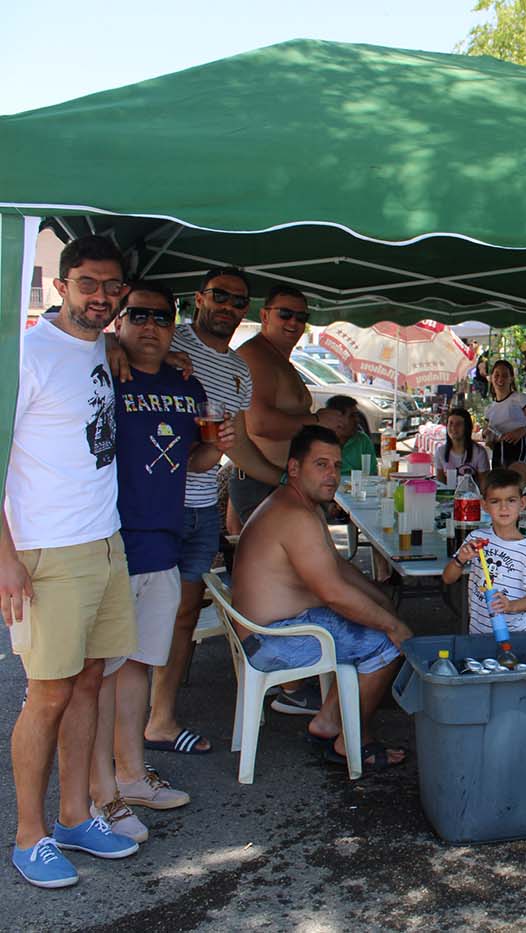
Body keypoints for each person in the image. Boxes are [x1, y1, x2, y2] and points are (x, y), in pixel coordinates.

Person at [2, 236, 142, 888]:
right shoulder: (24, 354)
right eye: (88, 283)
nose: (101, 297)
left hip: (104, 540)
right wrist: (6, 559)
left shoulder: (99, 348)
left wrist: (115, 346)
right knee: (48, 692)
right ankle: (28, 836)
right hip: (46, 549)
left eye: (113, 287)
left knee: (89, 681)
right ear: (61, 285)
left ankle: (74, 816)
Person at [91, 282, 236, 843]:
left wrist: (219, 446)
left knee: (138, 664)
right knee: (100, 672)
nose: (150, 325)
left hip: (163, 539)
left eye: (161, 316)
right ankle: (100, 789)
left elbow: (192, 460)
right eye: (138, 315)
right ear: (119, 320)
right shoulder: (103, 371)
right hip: (109, 540)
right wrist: (106, 345)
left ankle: (131, 774)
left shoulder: (185, 382)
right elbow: (64, 326)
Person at [232, 426, 411, 771]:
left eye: (336, 465)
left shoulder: (300, 504)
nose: (332, 474)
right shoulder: (295, 515)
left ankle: (328, 723)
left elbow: (338, 568)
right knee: (385, 645)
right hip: (270, 640)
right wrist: (393, 625)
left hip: (273, 628)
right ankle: (351, 742)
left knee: (375, 620)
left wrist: (382, 601)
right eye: (321, 464)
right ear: (294, 468)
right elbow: (334, 594)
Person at [233, 284, 346, 523]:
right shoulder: (257, 357)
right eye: (285, 314)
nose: (293, 322)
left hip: (281, 482)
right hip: (263, 484)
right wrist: (317, 421)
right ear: (264, 316)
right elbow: (259, 423)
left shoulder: (277, 358)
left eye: (301, 317)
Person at [443, 469, 526, 636]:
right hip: (477, 633)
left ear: (522, 503)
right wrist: (460, 559)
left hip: (514, 635)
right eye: (495, 501)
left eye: (511, 500)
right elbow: (448, 578)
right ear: (484, 506)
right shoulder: (476, 538)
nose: (504, 507)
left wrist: (510, 606)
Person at [483, 360, 526, 471]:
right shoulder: (489, 409)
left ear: (511, 378)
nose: (500, 379)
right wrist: (488, 438)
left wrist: (523, 431)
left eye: (505, 375)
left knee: (516, 479)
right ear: (491, 378)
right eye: (497, 375)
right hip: (500, 454)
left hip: (520, 450)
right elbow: (490, 438)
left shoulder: (521, 399)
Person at [434, 407, 490, 486]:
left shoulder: (479, 452)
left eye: (459, 424)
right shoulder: (440, 451)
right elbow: (440, 484)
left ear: (467, 427)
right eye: (451, 423)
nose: (453, 428)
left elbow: (484, 485)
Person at [323, 395, 376, 477]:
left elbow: (372, 473)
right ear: (337, 418)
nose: (357, 420)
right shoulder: (319, 441)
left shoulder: (362, 440)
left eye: (357, 416)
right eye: (352, 416)